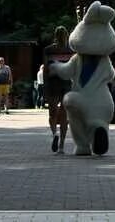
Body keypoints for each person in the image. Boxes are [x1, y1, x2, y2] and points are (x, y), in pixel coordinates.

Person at [43, 25, 72, 153]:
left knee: (52, 113)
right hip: (66, 83)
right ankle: (61, 146)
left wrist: (44, 86)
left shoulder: (48, 50)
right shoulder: (71, 50)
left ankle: (55, 133)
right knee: (64, 115)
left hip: (52, 83)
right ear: (66, 36)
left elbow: (45, 69)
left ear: (55, 36)